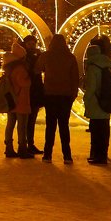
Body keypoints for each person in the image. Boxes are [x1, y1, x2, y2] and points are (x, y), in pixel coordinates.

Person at [37, 33, 80, 163]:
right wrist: (73, 94)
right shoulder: (70, 57)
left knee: (50, 125)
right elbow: (75, 77)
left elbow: (37, 69)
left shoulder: (46, 56)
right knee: (64, 125)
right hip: (65, 95)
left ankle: (47, 154)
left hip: (50, 94)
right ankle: (67, 155)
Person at [82, 34, 111, 165]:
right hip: (105, 101)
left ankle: (97, 155)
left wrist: (86, 98)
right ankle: (103, 154)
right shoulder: (107, 65)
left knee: (96, 131)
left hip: (95, 103)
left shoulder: (92, 67)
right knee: (104, 130)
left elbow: (91, 87)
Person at [2, 40, 32, 158]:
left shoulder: (9, 68)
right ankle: (22, 148)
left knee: (10, 124)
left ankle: (8, 147)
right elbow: (24, 83)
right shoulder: (20, 68)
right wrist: (29, 79)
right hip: (21, 100)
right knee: (22, 125)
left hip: (11, 99)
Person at [20, 34, 46, 156]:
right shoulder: (24, 57)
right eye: (29, 44)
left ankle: (30, 143)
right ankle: (24, 144)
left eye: (33, 44)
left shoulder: (37, 56)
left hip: (35, 91)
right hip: (26, 91)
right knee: (26, 120)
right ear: (25, 45)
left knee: (31, 120)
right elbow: (30, 71)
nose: (32, 46)